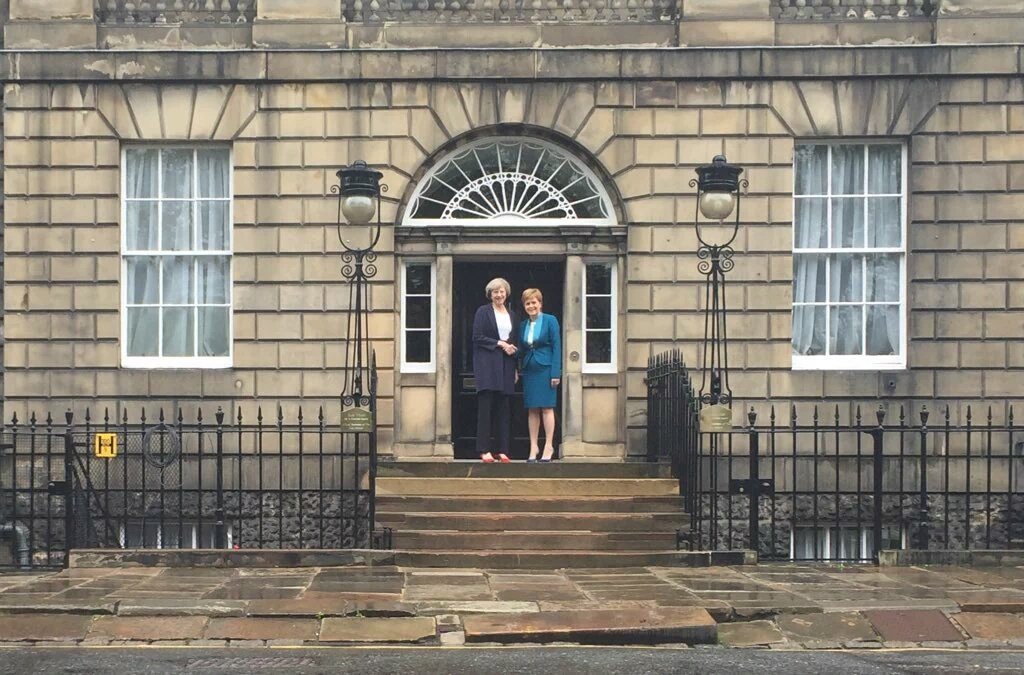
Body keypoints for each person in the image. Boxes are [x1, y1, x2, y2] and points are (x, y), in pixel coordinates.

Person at [472, 277, 520, 463]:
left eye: (501, 291)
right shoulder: (483, 312)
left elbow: (514, 340)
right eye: (495, 292)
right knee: (486, 408)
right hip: (487, 364)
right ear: (490, 295)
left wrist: (515, 367)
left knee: (504, 408)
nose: (499, 295)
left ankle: (503, 450)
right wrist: (500, 343)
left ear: (506, 293)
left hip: (507, 364)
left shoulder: (512, 314)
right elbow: (477, 337)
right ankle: (484, 450)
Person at [518, 288, 562, 463]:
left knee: (547, 407)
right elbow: (522, 349)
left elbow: (557, 347)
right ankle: (533, 446)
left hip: (546, 369)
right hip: (529, 369)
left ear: (540, 303)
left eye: (534, 302)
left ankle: (548, 445)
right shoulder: (523, 325)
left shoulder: (550, 320)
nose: (531, 306)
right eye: (527, 303)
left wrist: (555, 372)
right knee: (532, 408)